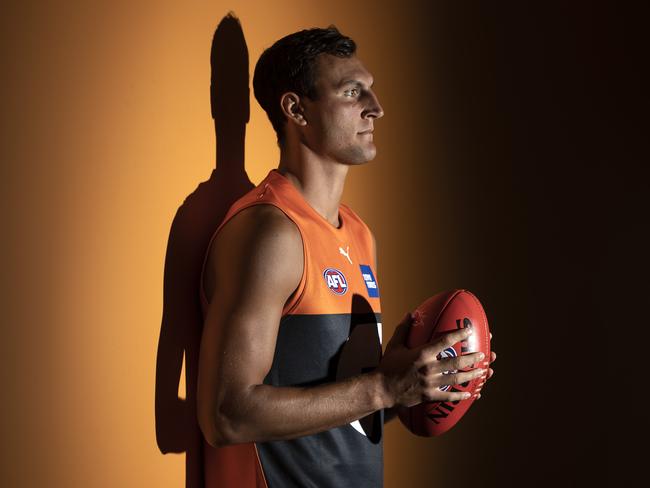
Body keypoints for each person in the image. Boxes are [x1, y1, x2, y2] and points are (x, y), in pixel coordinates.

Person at [197, 26, 494, 487]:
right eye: (352, 92)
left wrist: (412, 384)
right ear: (297, 109)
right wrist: (381, 387)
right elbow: (227, 415)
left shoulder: (358, 234)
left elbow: (343, 416)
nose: (375, 108)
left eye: (370, 91)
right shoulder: (271, 231)